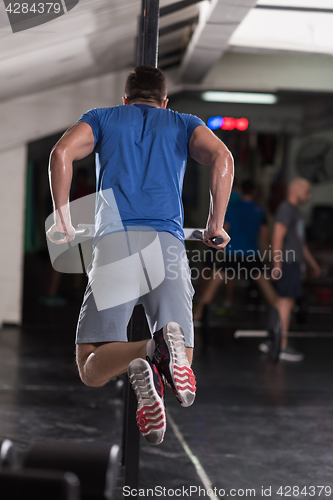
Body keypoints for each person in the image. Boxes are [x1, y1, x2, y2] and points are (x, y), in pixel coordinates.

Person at [46, 66, 234, 445]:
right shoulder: (182, 122)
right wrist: (215, 223)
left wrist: (64, 219)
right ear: (165, 101)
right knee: (183, 359)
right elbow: (222, 157)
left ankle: (150, 348)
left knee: (91, 367)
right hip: (168, 247)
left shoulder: (104, 118)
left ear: (125, 99)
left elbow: (61, 152)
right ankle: (158, 352)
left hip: (118, 246)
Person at [194, 179, 277, 322]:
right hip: (252, 255)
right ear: (254, 192)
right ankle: (282, 316)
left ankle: (197, 315)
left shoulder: (231, 209)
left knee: (212, 287)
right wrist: (268, 257)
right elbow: (264, 237)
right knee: (269, 291)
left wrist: (219, 251)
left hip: (231, 253)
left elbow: (224, 230)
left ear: (241, 191)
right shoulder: (260, 211)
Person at [260, 178, 321, 362]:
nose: (309, 196)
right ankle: (281, 344)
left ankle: (273, 341)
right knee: (285, 302)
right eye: (307, 191)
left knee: (285, 302)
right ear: (297, 190)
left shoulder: (295, 212)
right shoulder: (286, 209)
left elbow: (300, 244)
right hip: (287, 262)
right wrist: (277, 264)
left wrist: (313, 264)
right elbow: (277, 236)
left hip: (293, 262)